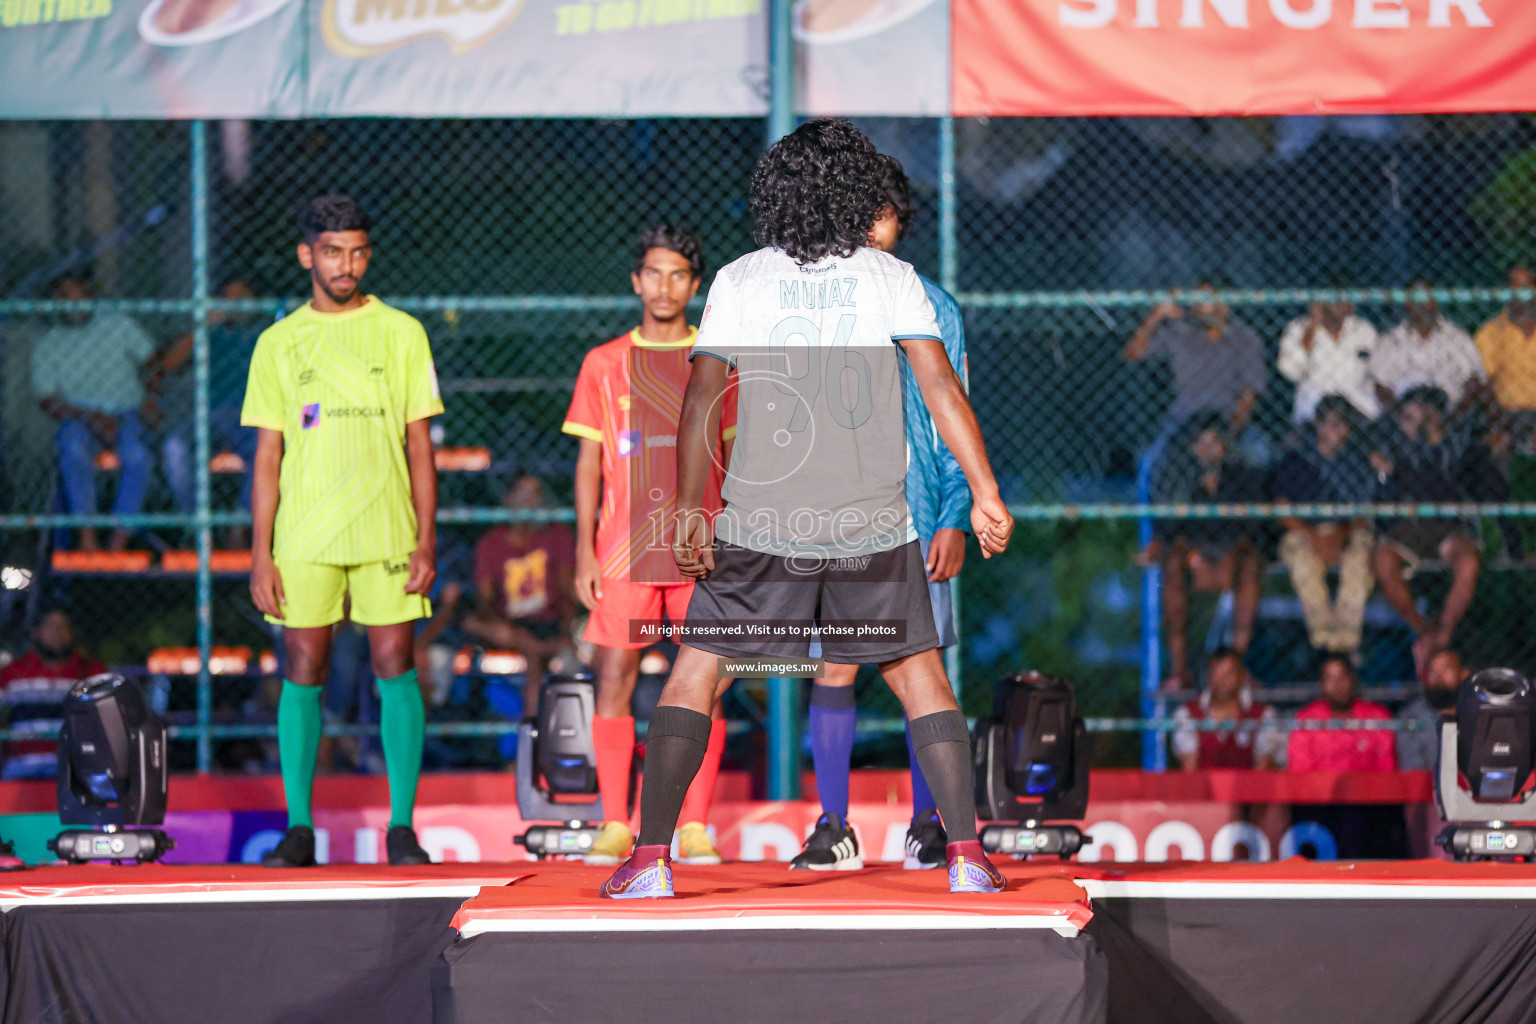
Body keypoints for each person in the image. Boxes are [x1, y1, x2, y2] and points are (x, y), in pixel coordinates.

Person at [601, 119, 1015, 900]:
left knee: (697, 674)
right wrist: (986, 491)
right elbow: (942, 394)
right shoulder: (891, 279)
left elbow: (698, 404)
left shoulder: (741, 278)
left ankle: (650, 858)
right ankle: (966, 854)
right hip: (872, 522)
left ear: (777, 194)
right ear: (858, 195)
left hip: (763, 522)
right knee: (921, 675)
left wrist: (692, 507)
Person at [244, 195, 443, 868]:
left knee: (396, 665)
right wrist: (261, 553)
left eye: (357, 250)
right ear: (307, 255)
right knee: (304, 669)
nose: (346, 263)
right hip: (305, 537)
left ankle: (402, 830)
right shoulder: (278, 342)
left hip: (389, 531)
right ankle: (299, 829)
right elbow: (267, 456)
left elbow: (421, 446)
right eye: (332, 251)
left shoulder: (402, 332)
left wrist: (426, 539)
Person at [791, 154, 972, 872]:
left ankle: (931, 824)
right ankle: (833, 825)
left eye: (883, 215)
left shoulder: (933, 305)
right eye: (857, 214)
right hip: (833, 520)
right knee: (834, 669)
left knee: (922, 671)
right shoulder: (813, 302)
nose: (870, 229)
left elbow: (954, 414)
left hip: (917, 514)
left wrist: (955, 510)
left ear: (901, 223)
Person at [564, 225, 735, 868]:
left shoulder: (716, 358)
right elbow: (588, 462)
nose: (666, 286)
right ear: (636, 280)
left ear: (695, 285)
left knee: (706, 683)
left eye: (679, 274)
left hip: (700, 549)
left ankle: (694, 827)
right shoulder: (603, 363)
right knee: (615, 675)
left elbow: (738, 455)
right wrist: (584, 549)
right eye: (654, 273)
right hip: (623, 551)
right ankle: (614, 821)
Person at [31, 271, 157, 552]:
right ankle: (87, 536)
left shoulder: (117, 324)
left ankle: (118, 540)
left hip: (127, 410)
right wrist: (90, 417)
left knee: (138, 455)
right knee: (73, 446)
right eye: (64, 297)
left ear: (91, 296)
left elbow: (153, 362)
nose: (73, 304)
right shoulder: (48, 343)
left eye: (79, 295)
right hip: (80, 416)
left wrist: (149, 398)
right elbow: (47, 400)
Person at [1143, 412, 1267, 688]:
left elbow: (1252, 530)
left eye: (1216, 442)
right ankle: (1179, 670)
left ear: (1225, 446)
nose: (1209, 449)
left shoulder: (1242, 475)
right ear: (1191, 446)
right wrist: (1191, 557)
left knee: (1251, 566)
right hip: (1192, 553)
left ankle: (1237, 665)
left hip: (1231, 551)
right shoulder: (1178, 476)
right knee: (1172, 566)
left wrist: (1231, 557)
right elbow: (1170, 529)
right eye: (1202, 442)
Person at [1370, 386, 1490, 663]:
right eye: (1408, 418)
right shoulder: (1392, 447)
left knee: (1469, 563)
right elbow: (1384, 500)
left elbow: (1450, 484)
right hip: (1407, 529)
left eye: (1419, 417)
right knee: (1383, 560)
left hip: (1446, 525)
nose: (1412, 425)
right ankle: (1423, 630)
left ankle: (1445, 630)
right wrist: (1385, 475)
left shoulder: (1452, 445)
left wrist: (1431, 438)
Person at [152, 279, 265, 536]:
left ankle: (239, 526)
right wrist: (202, 328)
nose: (235, 305)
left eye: (242, 298)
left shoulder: (268, 330)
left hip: (251, 414)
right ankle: (200, 528)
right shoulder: (213, 331)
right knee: (174, 448)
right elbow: (168, 365)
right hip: (209, 413)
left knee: (266, 450)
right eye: (229, 299)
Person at [1271, 396, 1377, 655]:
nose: (1337, 431)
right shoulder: (1296, 458)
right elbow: (1282, 511)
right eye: (1330, 424)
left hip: (1347, 531)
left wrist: (1341, 535)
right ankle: (1326, 643)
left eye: (1343, 425)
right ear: (1318, 425)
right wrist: (1315, 538)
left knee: (1359, 562)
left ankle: (1345, 644)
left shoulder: (1356, 462)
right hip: (1305, 532)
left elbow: (1364, 513)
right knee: (1303, 564)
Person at [463, 474, 575, 715]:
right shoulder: (491, 542)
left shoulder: (558, 535)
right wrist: (504, 627)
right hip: (509, 624)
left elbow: (567, 593)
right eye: (522, 494)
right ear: (508, 499)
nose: (529, 501)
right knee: (473, 623)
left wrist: (567, 631)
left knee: (538, 656)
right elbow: (484, 599)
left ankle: (535, 732)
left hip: (548, 621)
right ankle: (537, 650)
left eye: (535, 494)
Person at [1123, 279, 1266, 458]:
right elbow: (1133, 353)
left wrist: (1227, 437)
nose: (1197, 305)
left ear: (1224, 304)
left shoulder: (1245, 338)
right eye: (1194, 299)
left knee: (1260, 454)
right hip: (1184, 418)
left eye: (1204, 299)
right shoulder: (1180, 332)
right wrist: (1156, 314)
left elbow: (1249, 396)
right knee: (1151, 458)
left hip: (1227, 418)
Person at [0, 608, 105, 780]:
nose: (58, 633)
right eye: (51, 626)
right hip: (21, 766)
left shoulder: (88, 671)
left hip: (74, 768)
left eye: (64, 627)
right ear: (35, 633)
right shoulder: (12, 673)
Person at [1370, 280, 1484, 414]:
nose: (1421, 303)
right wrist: (1401, 416)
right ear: (1406, 303)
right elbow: (1379, 386)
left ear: (1436, 301)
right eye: (1415, 298)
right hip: (1404, 416)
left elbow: (1475, 380)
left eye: (1426, 297)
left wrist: (1456, 416)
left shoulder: (1458, 339)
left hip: (1450, 415)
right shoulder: (1390, 342)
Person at [1171, 648, 1282, 771]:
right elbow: (1189, 770)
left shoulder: (1263, 715)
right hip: (1204, 789)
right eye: (1217, 673)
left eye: (1229, 673)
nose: (1222, 680)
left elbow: (1263, 769)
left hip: (1248, 789)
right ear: (1208, 676)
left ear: (1242, 676)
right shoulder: (1187, 714)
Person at [1277, 293, 1381, 423]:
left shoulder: (1364, 330)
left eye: (1345, 300)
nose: (1340, 305)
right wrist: (1311, 330)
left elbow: (1378, 371)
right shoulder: (1298, 328)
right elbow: (1289, 370)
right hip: (1313, 414)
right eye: (1334, 300)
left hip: (1358, 410)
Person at [1287, 657, 1396, 772]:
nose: (1337, 685)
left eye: (1342, 677)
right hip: (1320, 788)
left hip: (1366, 787)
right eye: (1330, 679)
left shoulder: (1377, 716)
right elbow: (1299, 771)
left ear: (1353, 680)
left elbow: (1387, 767)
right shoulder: (1306, 720)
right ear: (1322, 684)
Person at [1396, 648, 1465, 772]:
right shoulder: (1411, 717)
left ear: (1463, 674)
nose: (1438, 677)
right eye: (1432, 670)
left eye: (1446, 669)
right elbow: (1413, 772)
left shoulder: (1480, 713)